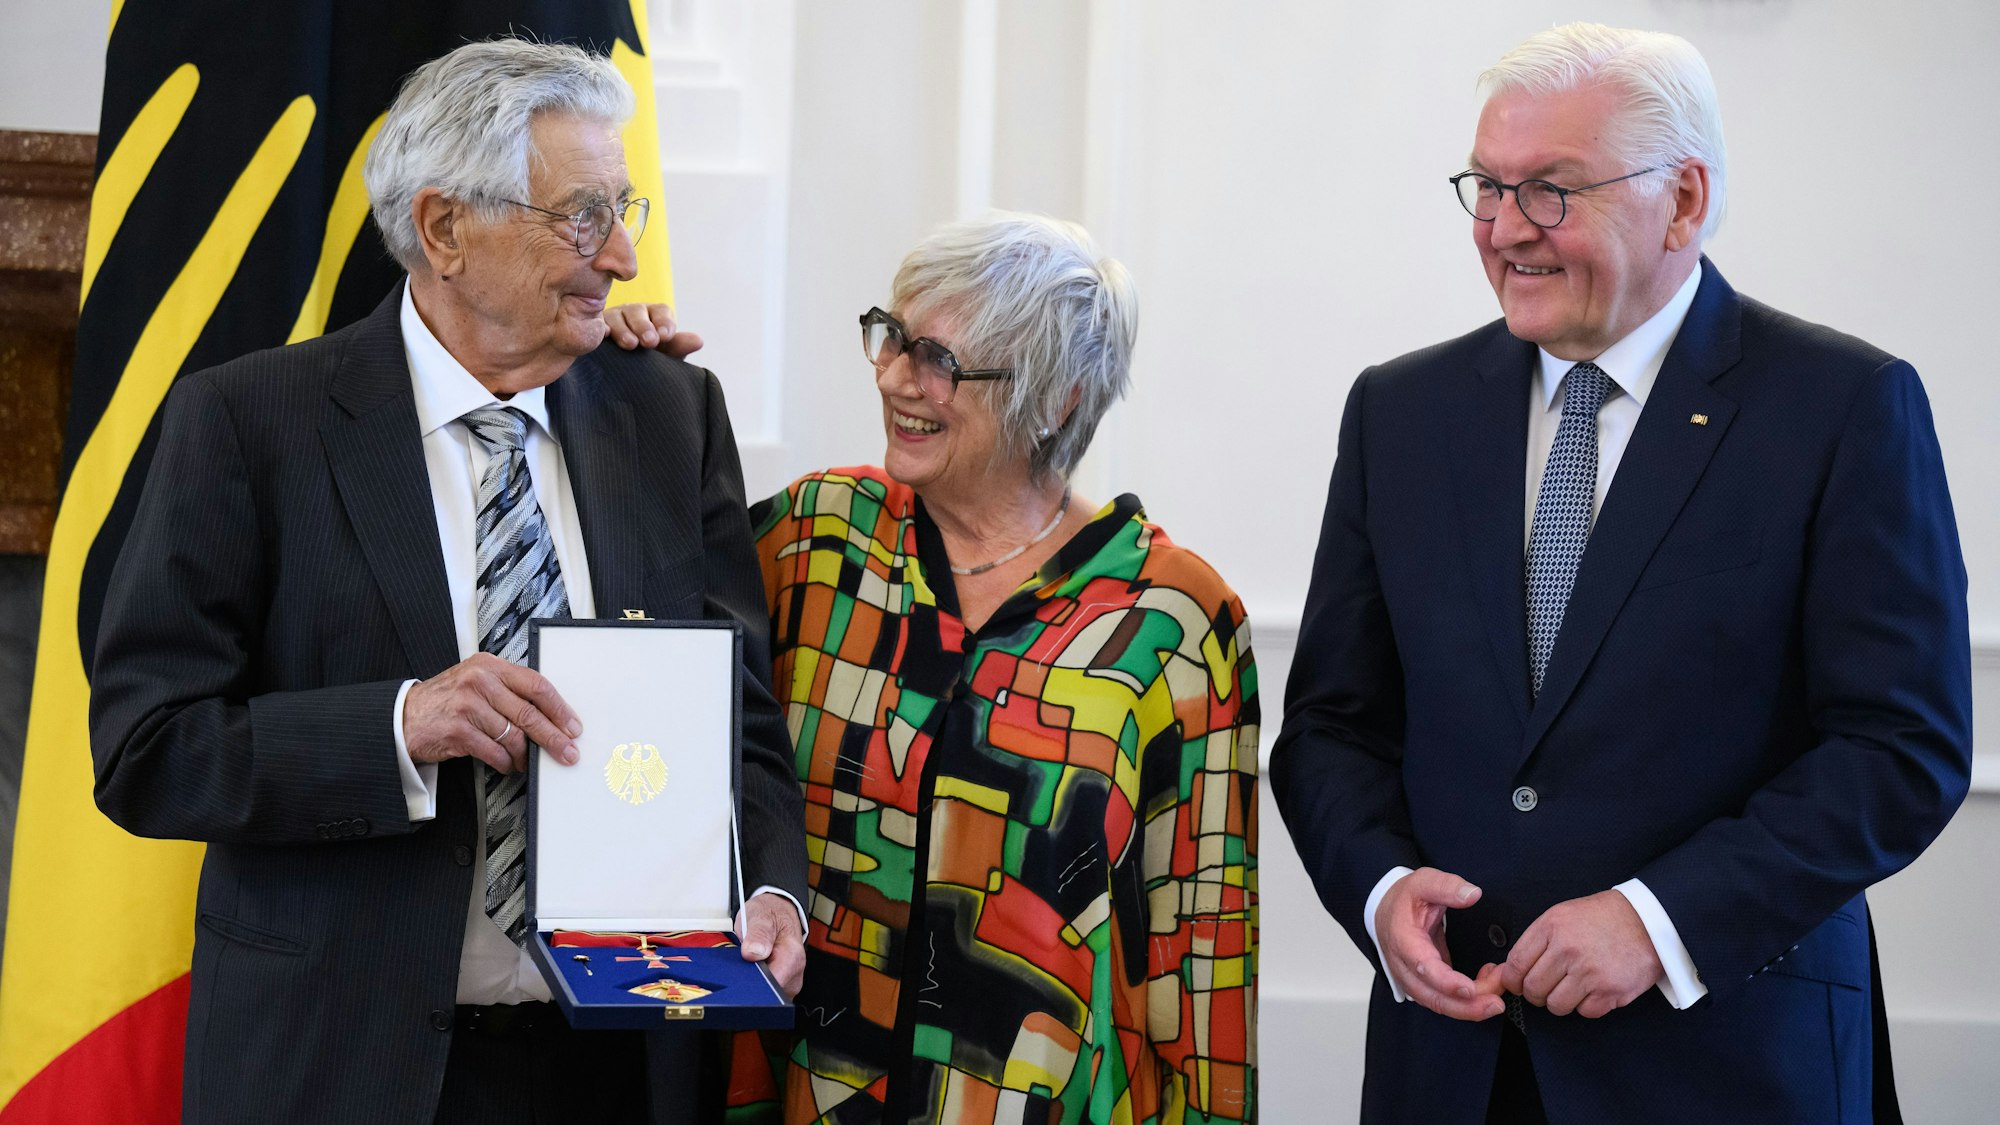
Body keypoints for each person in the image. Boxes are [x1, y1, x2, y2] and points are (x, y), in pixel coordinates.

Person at [88, 40, 805, 1124]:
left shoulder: (667, 415)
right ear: (443, 230)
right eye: (579, 216)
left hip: (616, 1068)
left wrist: (768, 889)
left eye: (625, 211)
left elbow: (737, 720)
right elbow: (147, 750)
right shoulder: (246, 425)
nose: (618, 256)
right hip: (335, 1065)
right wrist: (400, 724)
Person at [1267, 22, 1971, 1124]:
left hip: (1728, 1063)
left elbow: (1899, 746)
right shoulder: (1399, 413)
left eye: (1547, 191)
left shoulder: (1839, 408)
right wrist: (1381, 888)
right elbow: (1330, 727)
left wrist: (1659, 919)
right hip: (1452, 1064)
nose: (1502, 231)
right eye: (1485, 189)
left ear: (1681, 200)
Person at [607, 212, 1260, 1122]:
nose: (892, 376)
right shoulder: (816, 537)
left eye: (936, 359)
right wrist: (616, 392)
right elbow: (633, 643)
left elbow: (1201, 950)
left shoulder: (1171, 623)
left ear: (1058, 398)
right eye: (891, 336)